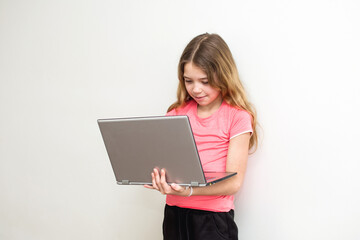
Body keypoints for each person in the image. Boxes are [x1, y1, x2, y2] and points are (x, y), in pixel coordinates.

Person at [144, 33, 258, 240]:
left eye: (204, 81)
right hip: (174, 216)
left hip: (213, 220)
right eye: (189, 81)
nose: (196, 89)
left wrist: (189, 192)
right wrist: (160, 179)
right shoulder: (176, 114)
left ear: (223, 76)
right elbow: (168, 165)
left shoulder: (237, 117)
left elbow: (234, 183)